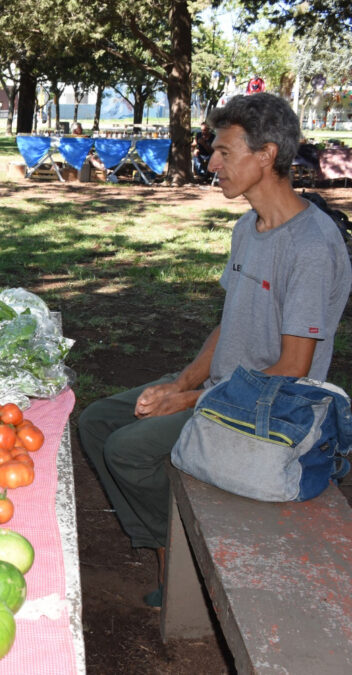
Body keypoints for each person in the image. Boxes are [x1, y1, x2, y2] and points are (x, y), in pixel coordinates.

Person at [78, 93, 351, 608]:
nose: (211, 163)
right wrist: (183, 381)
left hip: (274, 413)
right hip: (223, 391)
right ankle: (163, 537)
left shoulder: (311, 246)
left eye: (224, 152)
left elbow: (293, 369)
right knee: (96, 420)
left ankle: (175, 557)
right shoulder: (249, 226)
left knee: (128, 450)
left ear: (266, 156)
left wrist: (189, 401)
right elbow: (228, 326)